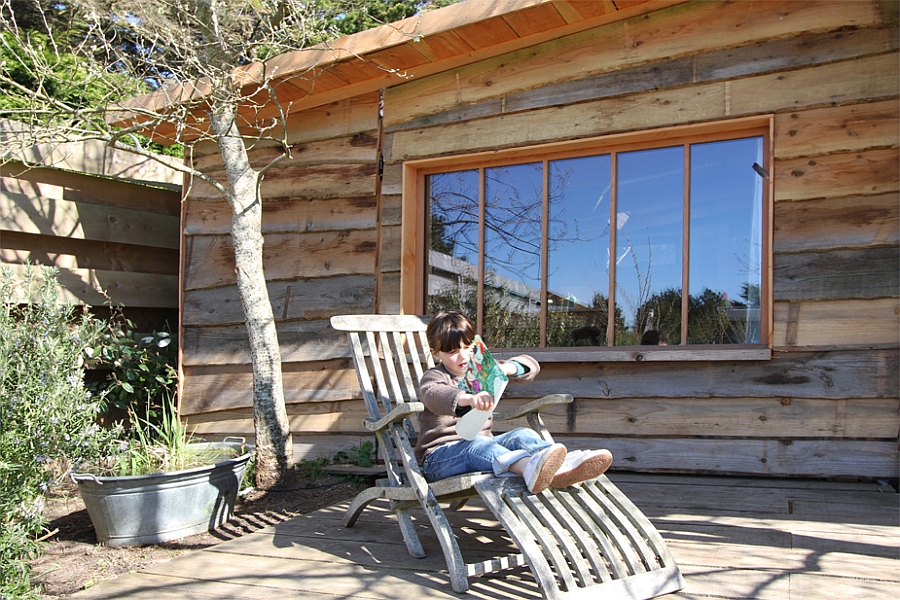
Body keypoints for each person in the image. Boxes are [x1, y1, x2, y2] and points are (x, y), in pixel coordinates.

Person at [415, 310, 612, 494]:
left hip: (484, 445)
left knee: (521, 434)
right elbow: (434, 394)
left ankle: (563, 468)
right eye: (452, 352)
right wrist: (468, 398)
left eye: (468, 347)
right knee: (476, 447)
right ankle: (529, 467)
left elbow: (530, 365)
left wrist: (509, 368)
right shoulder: (434, 376)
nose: (463, 355)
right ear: (435, 353)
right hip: (440, 459)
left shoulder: (481, 371)